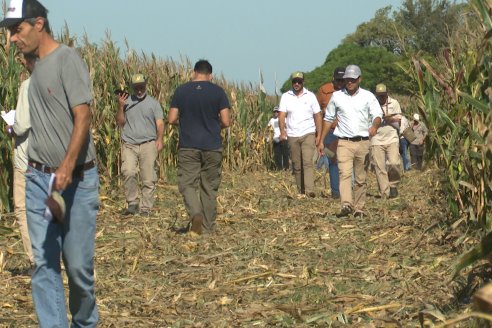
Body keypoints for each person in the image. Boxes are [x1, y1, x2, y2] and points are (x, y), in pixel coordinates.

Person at [1, 0, 100, 326]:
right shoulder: (34, 68)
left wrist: (68, 166)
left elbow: (83, 116)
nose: (12, 38)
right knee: (43, 263)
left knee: (78, 269)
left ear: (39, 24)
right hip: (38, 180)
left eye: (17, 30)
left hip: (76, 182)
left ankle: (84, 322)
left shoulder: (66, 60)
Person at [168, 59, 230, 235]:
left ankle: (195, 213)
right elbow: (226, 121)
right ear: (210, 75)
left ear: (194, 72)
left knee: (187, 183)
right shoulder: (218, 92)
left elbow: (171, 118)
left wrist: (186, 122)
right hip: (212, 146)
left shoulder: (181, 91)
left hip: (188, 146)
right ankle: (208, 228)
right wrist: (214, 125)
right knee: (209, 187)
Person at [317, 65, 382, 218]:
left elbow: (377, 114)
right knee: (344, 174)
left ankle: (359, 207)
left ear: (359, 79)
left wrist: (374, 126)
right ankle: (346, 204)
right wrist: (320, 140)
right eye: (347, 79)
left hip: (363, 142)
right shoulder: (337, 96)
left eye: (353, 79)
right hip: (344, 142)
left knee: (360, 178)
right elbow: (328, 119)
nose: (350, 82)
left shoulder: (368, 96)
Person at [116, 73, 164, 216]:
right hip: (130, 144)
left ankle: (145, 208)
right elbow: (120, 122)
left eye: (141, 87)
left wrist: (159, 139)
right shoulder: (126, 102)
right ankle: (132, 203)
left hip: (148, 144)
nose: (139, 90)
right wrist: (120, 107)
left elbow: (160, 123)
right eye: (136, 87)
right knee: (128, 172)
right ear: (132, 87)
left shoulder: (154, 104)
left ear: (145, 85)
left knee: (148, 178)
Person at [6, 53, 37, 272]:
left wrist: (10, 127)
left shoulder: (28, 86)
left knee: (22, 209)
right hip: (50, 159)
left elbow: (21, 125)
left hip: (27, 158)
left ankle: (36, 260)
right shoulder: (58, 83)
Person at [278, 71, 322, 197]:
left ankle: (309, 191)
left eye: (299, 81)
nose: (297, 84)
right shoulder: (286, 96)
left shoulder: (310, 96)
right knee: (297, 165)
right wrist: (282, 131)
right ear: (292, 83)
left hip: (308, 132)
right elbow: (282, 115)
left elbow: (317, 116)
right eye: (294, 81)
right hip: (292, 134)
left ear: (303, 82)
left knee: (307, 162)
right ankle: (300, 190)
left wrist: (318, 135)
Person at [315, 67, 346, 199]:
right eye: (338, 79)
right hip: (330, 131)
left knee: (347, 160)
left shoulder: (350, 91)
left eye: (342, 80)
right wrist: (319, 135)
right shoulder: (324, 90)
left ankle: (348, 189)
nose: (340, 82)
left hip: (346, 131)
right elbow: (316, 112)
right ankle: (335, 192)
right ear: (333, 78)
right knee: (333, 160)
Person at [371, 83, 402, 198]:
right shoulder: (372, 104)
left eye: (383, 95)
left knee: (394, 163)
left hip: (391, 137)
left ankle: (393, 184)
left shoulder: (394, 103)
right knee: (379, 167)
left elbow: (399, 121)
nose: (381, 98)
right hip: (376, 139)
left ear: (387, 93)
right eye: (379, 96)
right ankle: (385, 192)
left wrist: (389, 118)